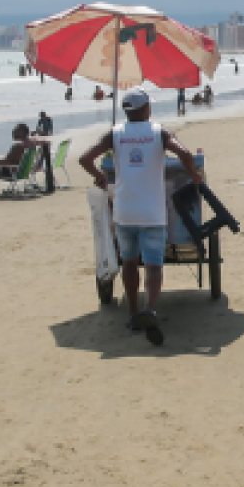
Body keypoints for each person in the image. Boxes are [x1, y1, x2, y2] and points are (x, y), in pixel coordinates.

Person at [78, 89, 205, 345]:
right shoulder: (160, 132)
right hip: (152, 212)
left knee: (129, 263)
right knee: (154, 266)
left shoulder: (115, 133)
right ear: (146, 108)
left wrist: (99, 176)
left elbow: (85, 158)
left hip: (124, 211)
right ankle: (151, 309)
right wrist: (194, 176)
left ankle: (133, 314)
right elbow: (185, 155)